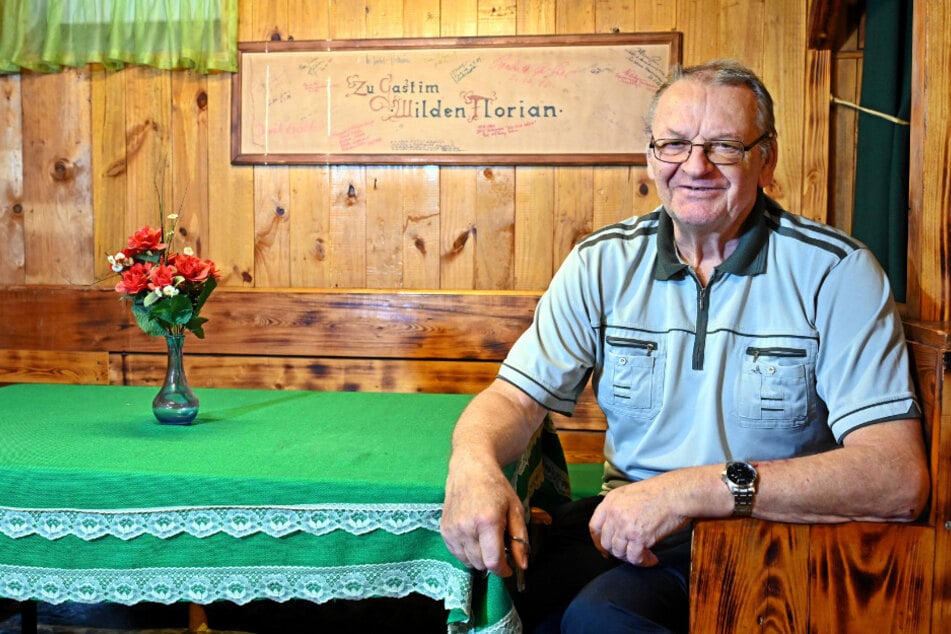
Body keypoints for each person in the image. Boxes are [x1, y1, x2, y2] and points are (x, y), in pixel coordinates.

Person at [439, 58, 930, 633]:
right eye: (674, 144)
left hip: (767, 540)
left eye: (724, 146)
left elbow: (897, 477)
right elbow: (514, 399)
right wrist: (471, 463)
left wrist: (691, 490)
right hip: (629, 524)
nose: (695, 167)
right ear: (651, 157)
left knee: (600, 621)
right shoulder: (602, 262)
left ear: (765, 160)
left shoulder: (836, 272)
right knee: (483, 591)